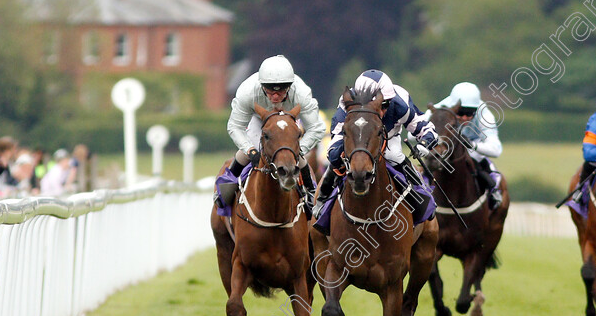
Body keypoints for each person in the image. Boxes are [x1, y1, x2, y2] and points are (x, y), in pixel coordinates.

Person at [314, 69, 438, 222]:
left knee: (394, 155)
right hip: (356, 139)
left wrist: (425, 142)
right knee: (335, 158)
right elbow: (337, 134)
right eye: (379, 104)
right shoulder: (347, 102)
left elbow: (423, 126)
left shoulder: (400, 103)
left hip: (388, 136)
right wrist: (336, 152)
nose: (382, 110)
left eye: (385, 104)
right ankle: (322, 198)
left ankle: (422, 194)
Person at [216, 55, 326, 209]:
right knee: (251, 151)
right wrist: (250, 150)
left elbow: (317, 128)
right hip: (259, 120)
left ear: (289, 86)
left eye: (281, 90)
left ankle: (310, 192)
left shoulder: (301, 93)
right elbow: (235, 126)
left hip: (287, 121)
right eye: (269, 89)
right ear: (261, 85)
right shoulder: (247, 92)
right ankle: (227, 187)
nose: (275, 95)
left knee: (294, 156)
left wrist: (299, 149)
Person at [433, 82, 504, 209]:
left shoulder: (485, 115)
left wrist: (472, 145)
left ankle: (494, 190)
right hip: (446, 146)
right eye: (460, 112)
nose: (465, 117)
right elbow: (412, 135)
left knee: (480, 160)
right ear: (452, 107)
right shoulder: (441, 107)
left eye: (470, 113)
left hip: (473, 147)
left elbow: (496, 150)